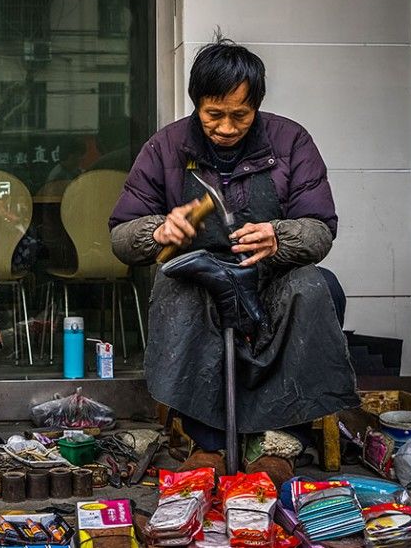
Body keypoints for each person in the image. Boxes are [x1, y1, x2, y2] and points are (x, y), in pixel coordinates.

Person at [109, 38, 359, 487]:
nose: (226, 127)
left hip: (271, 277)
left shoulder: (291, 140)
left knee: (316, 286)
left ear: (257, 106)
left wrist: (279, 235)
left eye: (239, 116)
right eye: (213, 115)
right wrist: (159, 231)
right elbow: (121, 236)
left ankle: (281, 443)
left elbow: (321, 228)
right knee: (174, 287)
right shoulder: (165, 147)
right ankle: (208, 443)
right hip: (203, 279)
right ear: (197, 104)